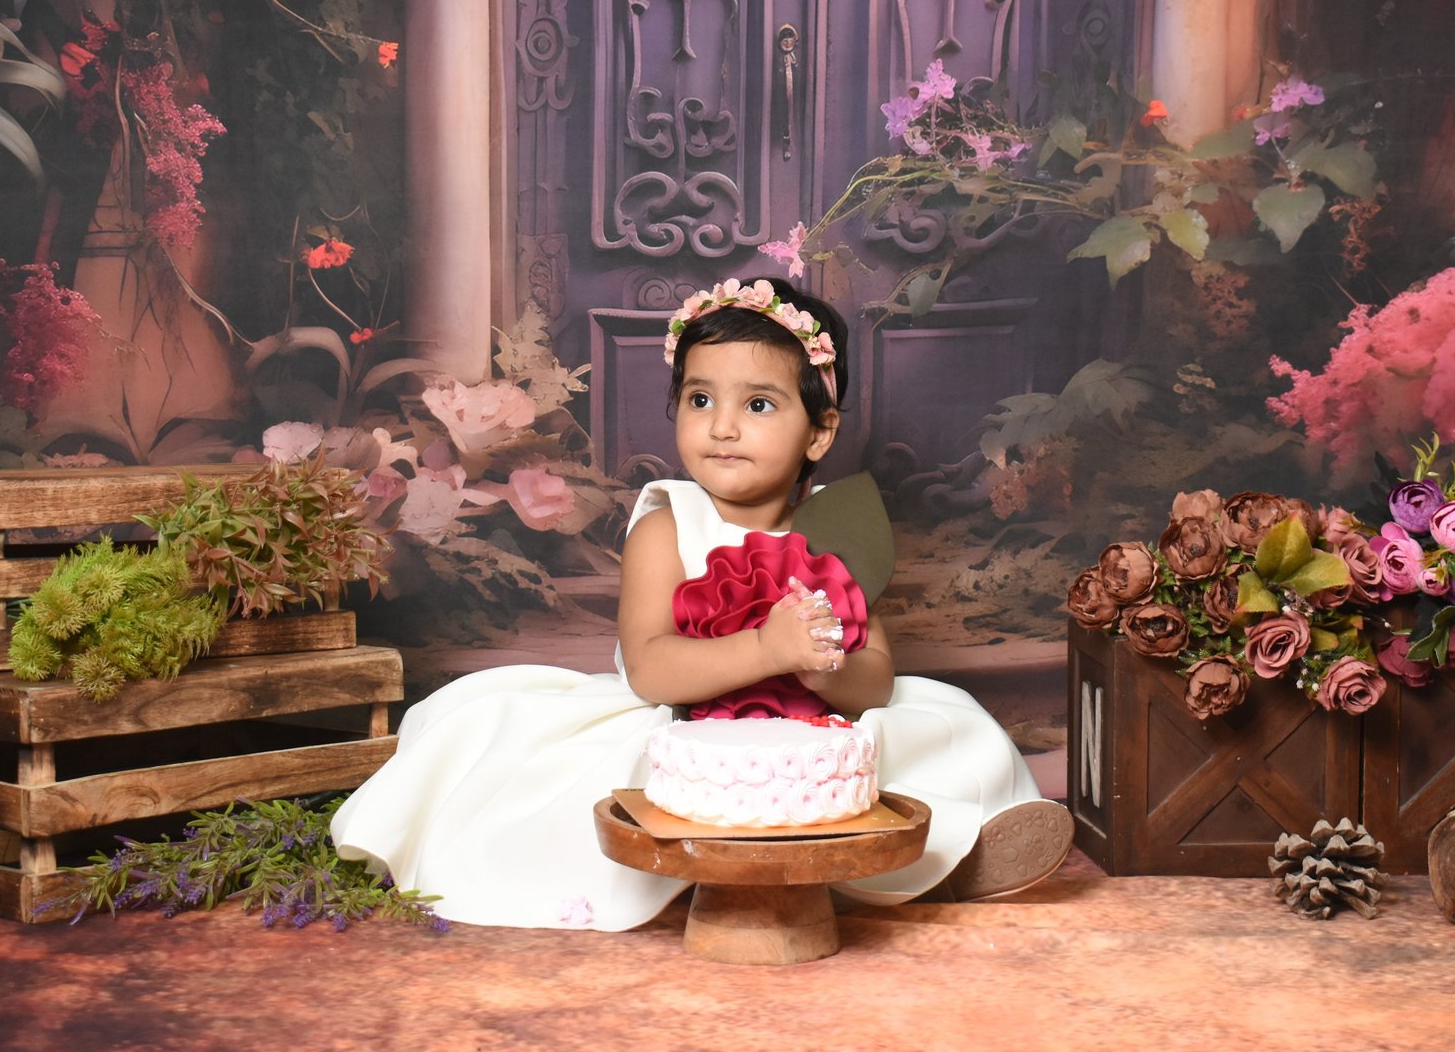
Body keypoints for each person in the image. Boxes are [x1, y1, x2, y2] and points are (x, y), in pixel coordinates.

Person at [332, 277, 1072, 930]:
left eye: (757, 403)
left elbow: (875, 673)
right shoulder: (668, 523)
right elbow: (651, 668)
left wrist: (822, 669)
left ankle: (964, 849)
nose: (722, 426)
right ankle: (744, 876)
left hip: (812, 728)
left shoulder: (834, 530)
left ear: (820, 431)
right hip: (683, 723)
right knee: (582, 768)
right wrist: (764, 650)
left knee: (941, 723)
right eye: (699, 399)